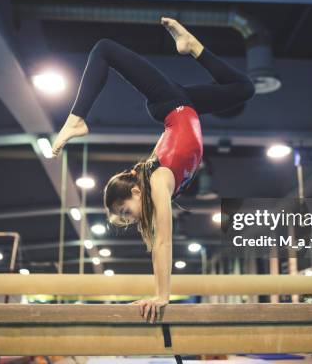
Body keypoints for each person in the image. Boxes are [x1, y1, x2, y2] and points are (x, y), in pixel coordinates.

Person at [52, 17, 255, 322]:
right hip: (184, 105)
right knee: (245, 88)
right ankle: (193, 46)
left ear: (135, 190)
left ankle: (77, 118)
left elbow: (162, 241)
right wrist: (117, 209)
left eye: (124, 210)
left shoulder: (158, 179)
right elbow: (164, 149)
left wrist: (162, 295)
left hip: (169, 101)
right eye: (124, 217)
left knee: (104, 48)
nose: (127, 218)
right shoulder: (151, 171)